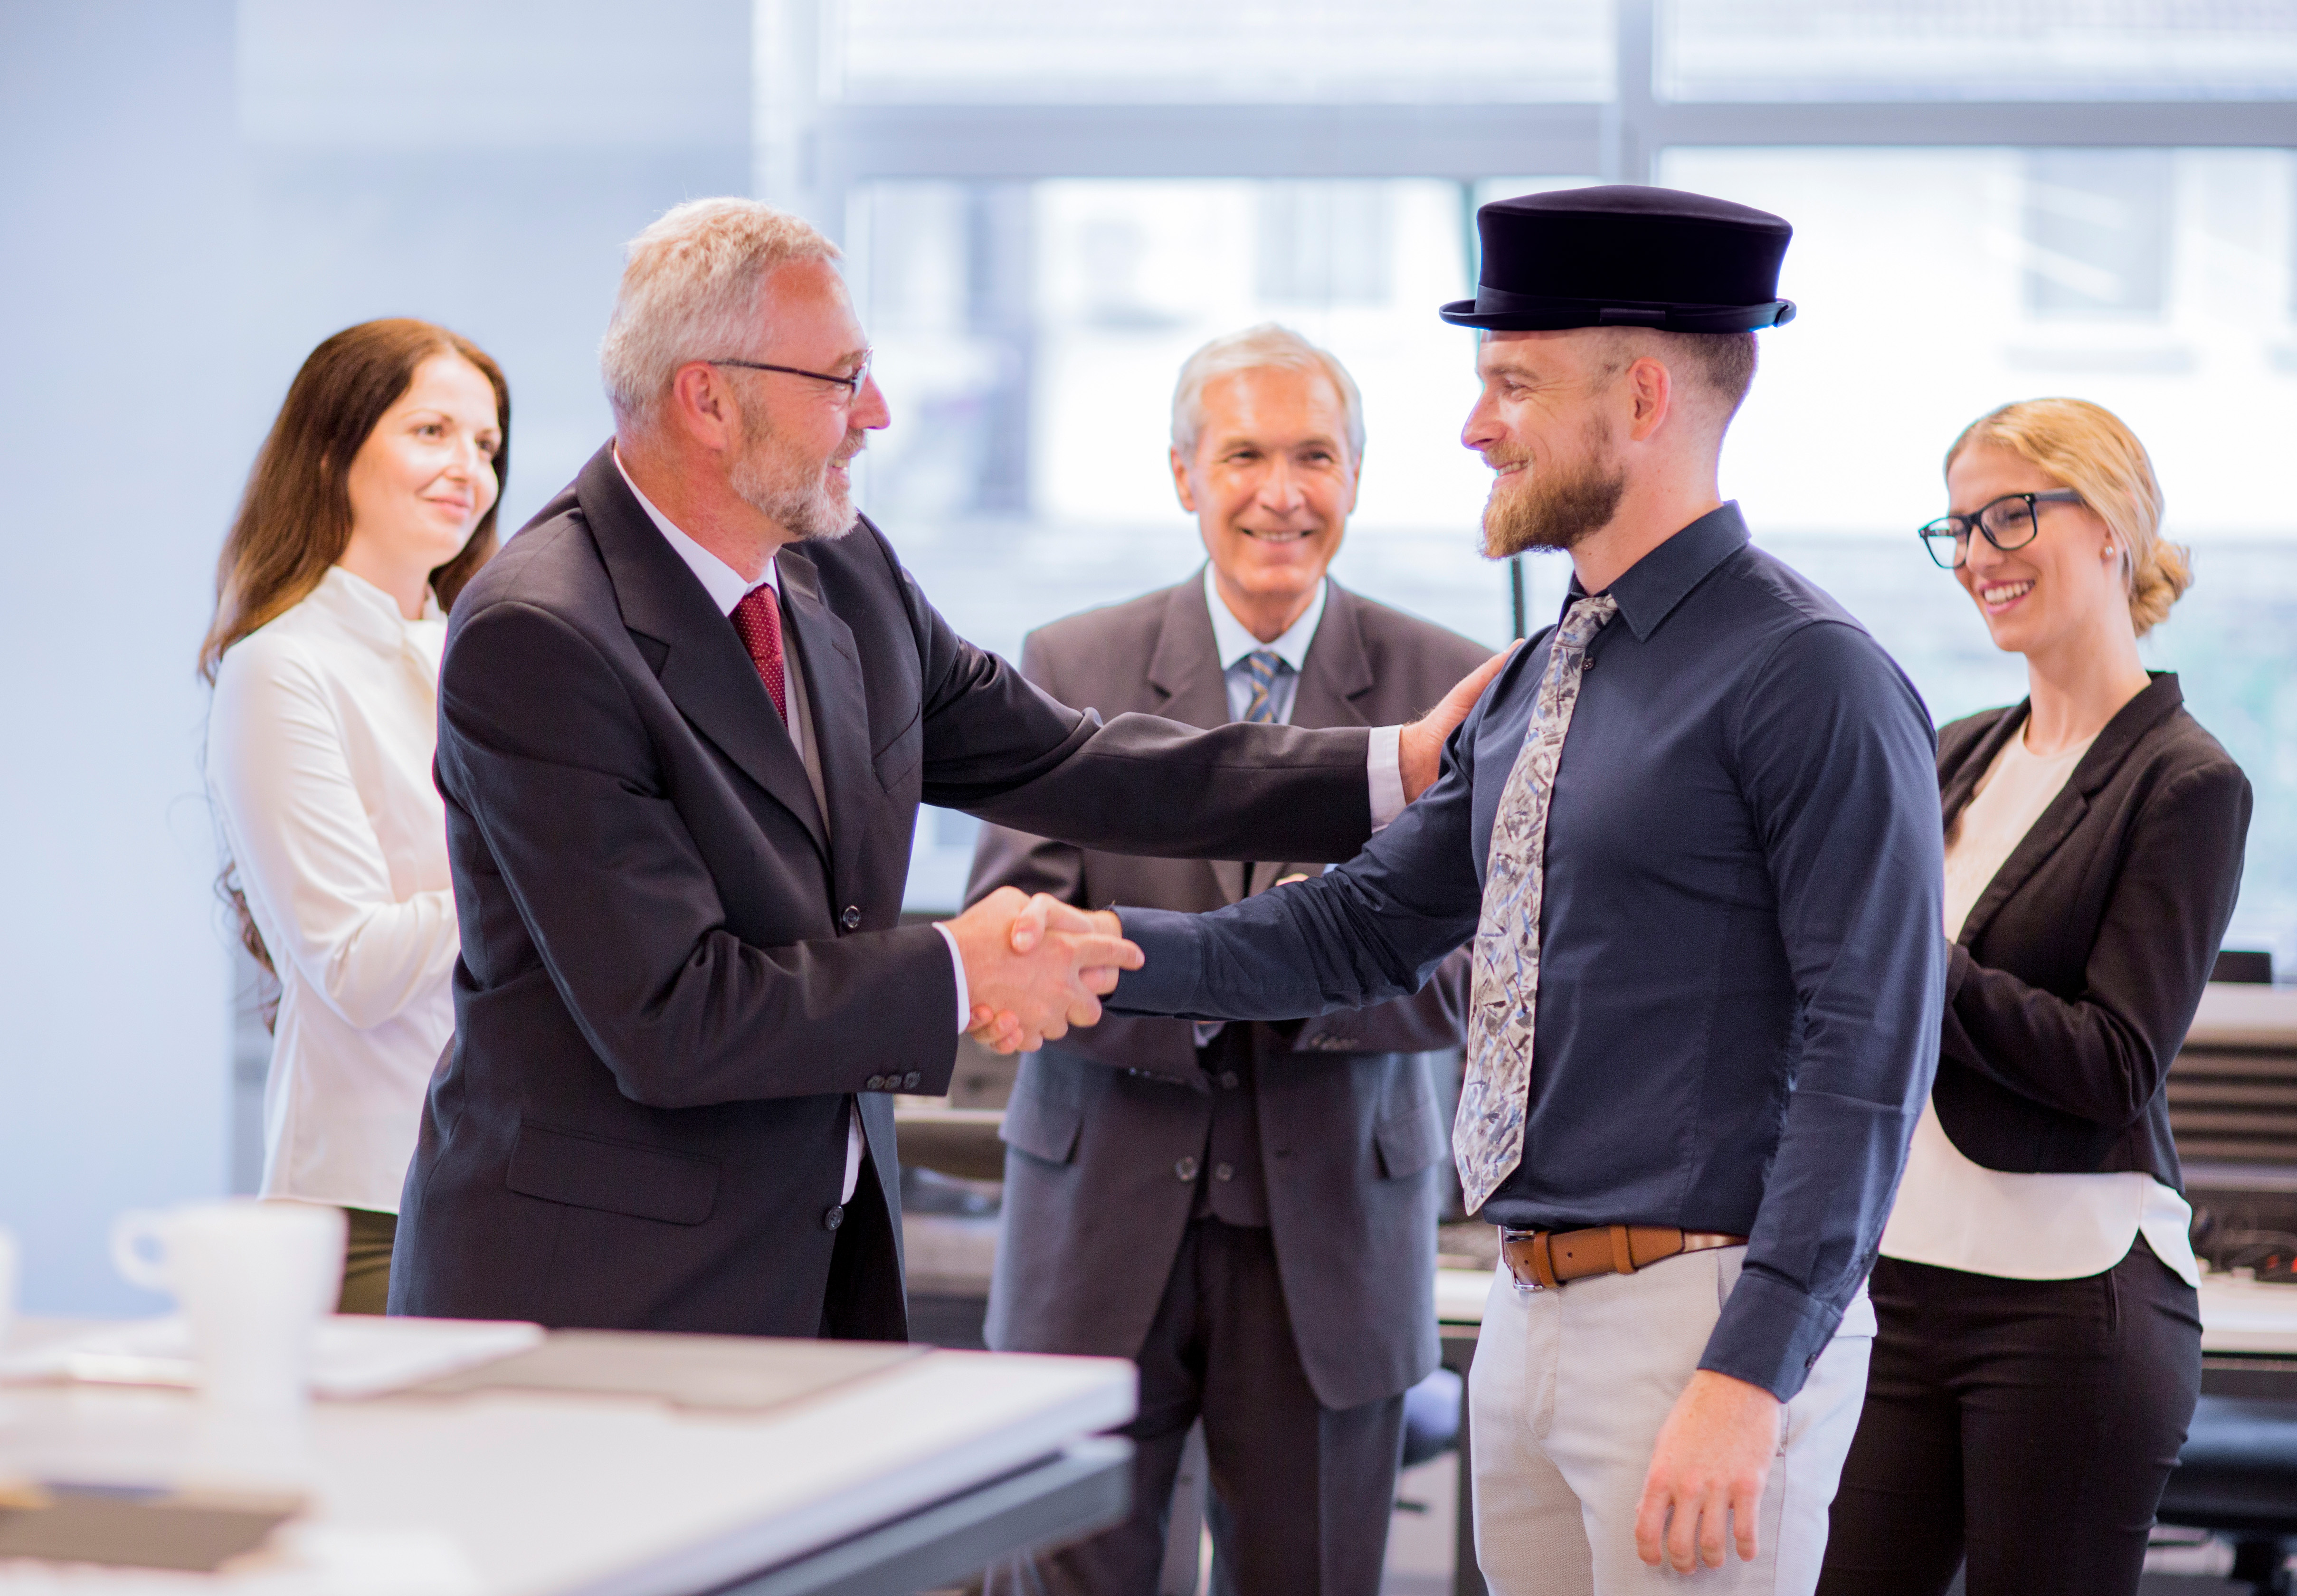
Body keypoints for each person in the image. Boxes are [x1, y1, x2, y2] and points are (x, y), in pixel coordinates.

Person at [386, 200, 1504, 1340]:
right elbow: (677, 1016)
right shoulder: (541, 633)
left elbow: (1068, 756)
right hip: (588, 1305)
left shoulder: (840, 567)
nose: (877, 413)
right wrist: (961, 972)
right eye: (842, 378)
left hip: (806, 1273)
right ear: (709, 398)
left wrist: (1393, 765)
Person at [1068, 186, 1946, 1595]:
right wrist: (1095, 950)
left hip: (1701, 1326)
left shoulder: (1810, 677)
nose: (1475, 429)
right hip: (1528, 1312)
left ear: (1643, 394)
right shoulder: (1546, 671)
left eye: (1511, 384)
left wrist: (1751, 1372)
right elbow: (1360, 922)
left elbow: (1870, 1056)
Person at [969, 324, 1493, 1596]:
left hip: (1331, 1243)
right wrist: (1253, 959)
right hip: (1094, 1231)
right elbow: (1011, 936)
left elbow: (1478, 973)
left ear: (1356, 479)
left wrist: (1284, 967)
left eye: (1313, 455)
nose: (1279, 491)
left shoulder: (1448, 687)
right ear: (1181, 475)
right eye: (1243, 453)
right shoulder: (1070, 666)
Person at [1818, 399, 2252, 1596]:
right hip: (1898, 1280)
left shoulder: (2186, 780)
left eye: (2012, 514)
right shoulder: (1953, 751)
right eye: (1957, 528)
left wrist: (1916, 954)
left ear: (2110, 523)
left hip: (2068, 1311)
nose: (1978, 555)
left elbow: (2115, 1064)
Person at [201, 318, 509, 1313]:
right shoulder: (281, 668)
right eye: (432, 431)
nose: (468, 467)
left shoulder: (488, 656)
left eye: (487, 445)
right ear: (333, 447)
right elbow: (353, 967)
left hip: (520, 1184)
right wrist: (543, 854)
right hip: (373, 1204)